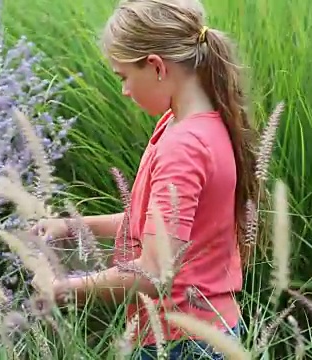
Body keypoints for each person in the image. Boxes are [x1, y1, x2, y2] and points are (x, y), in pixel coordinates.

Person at [30, 0, 259, 358]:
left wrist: (63, 288)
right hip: (212, 330)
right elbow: (155, 228)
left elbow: (153, 272)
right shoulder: (193, 124)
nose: (124, 90)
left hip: (183, 343)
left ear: (155, 66)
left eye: (123, 77)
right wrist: (73, 226)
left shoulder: (182, 146)